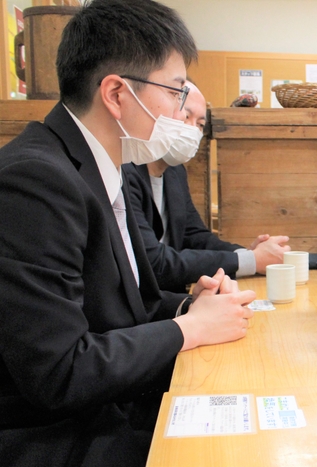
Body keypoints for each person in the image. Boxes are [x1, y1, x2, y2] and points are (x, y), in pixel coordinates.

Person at [0, 1, 256, 465]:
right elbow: (59, 372)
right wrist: (188, 328)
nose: (183, 113)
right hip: (57, 433)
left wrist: (187, 304)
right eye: (178, 93)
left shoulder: (101, 166)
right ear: (116, 94)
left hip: (107, 403)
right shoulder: (36, 179)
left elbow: (117, 305)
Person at [124, 80, 290, 292]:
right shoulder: (125, 170)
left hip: (170, 298)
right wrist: (250, 260)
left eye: (200, 124)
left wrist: (247, 255)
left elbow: (195, 237)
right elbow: (152, 261)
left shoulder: (175, 172)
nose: (192, 129)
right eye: (186, 117)